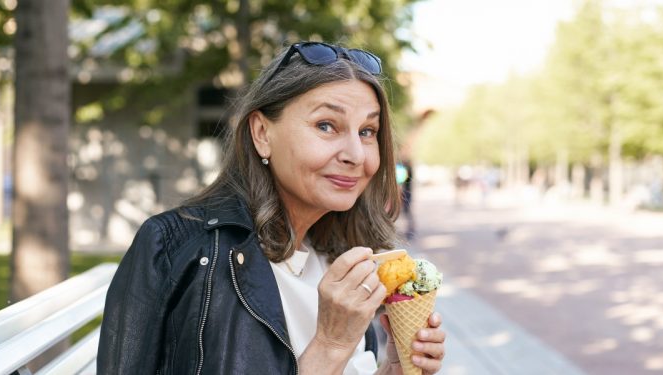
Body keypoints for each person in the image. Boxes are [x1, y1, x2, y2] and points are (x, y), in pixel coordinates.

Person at [97, 41, 446, 375]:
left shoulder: (341, 256)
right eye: (326, 125)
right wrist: (331, 344)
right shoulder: (174, 247)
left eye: (368, 131)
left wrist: (394, 370)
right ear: (262, 132)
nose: (355, 154)